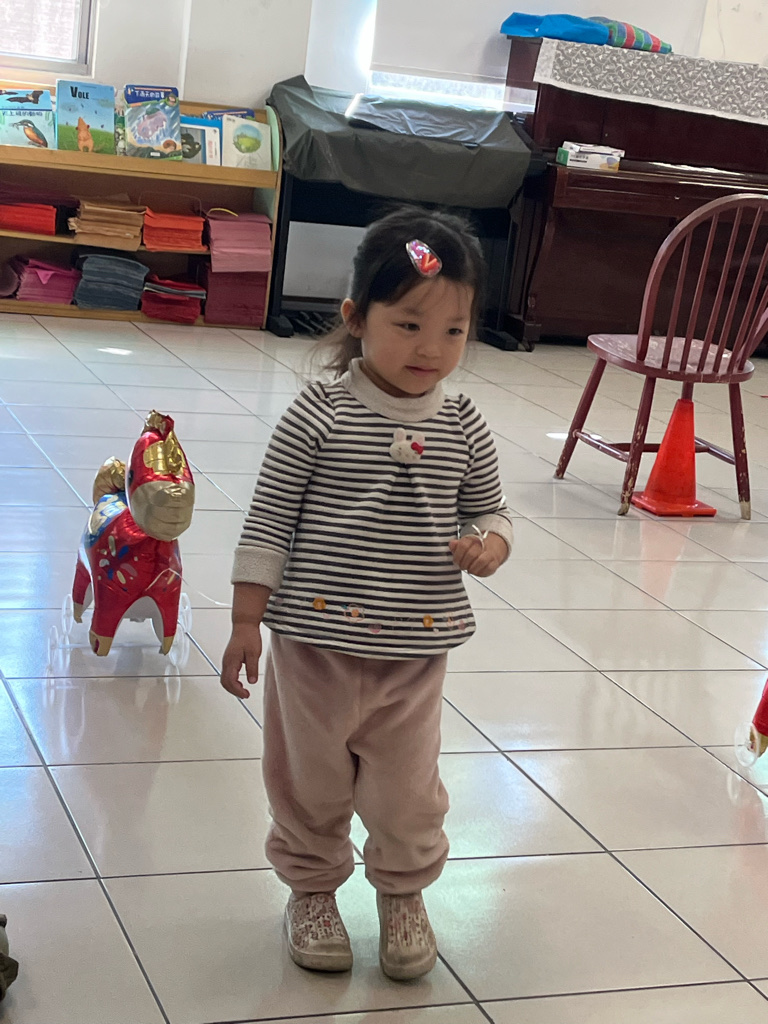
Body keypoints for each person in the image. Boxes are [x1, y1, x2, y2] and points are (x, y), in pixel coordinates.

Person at [220, 207, 513, 981]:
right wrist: (247, 619)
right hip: (312, 648)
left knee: (407, 791)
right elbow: (269, 519)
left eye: (453, 331)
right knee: (307, 781)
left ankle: (403, 893)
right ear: (356, 317)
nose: (431, 349)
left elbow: (490, 509)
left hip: (413, 654)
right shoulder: (318, 414)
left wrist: (489, 545)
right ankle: (312, 890)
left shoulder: (464, 423)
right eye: (409, 325)